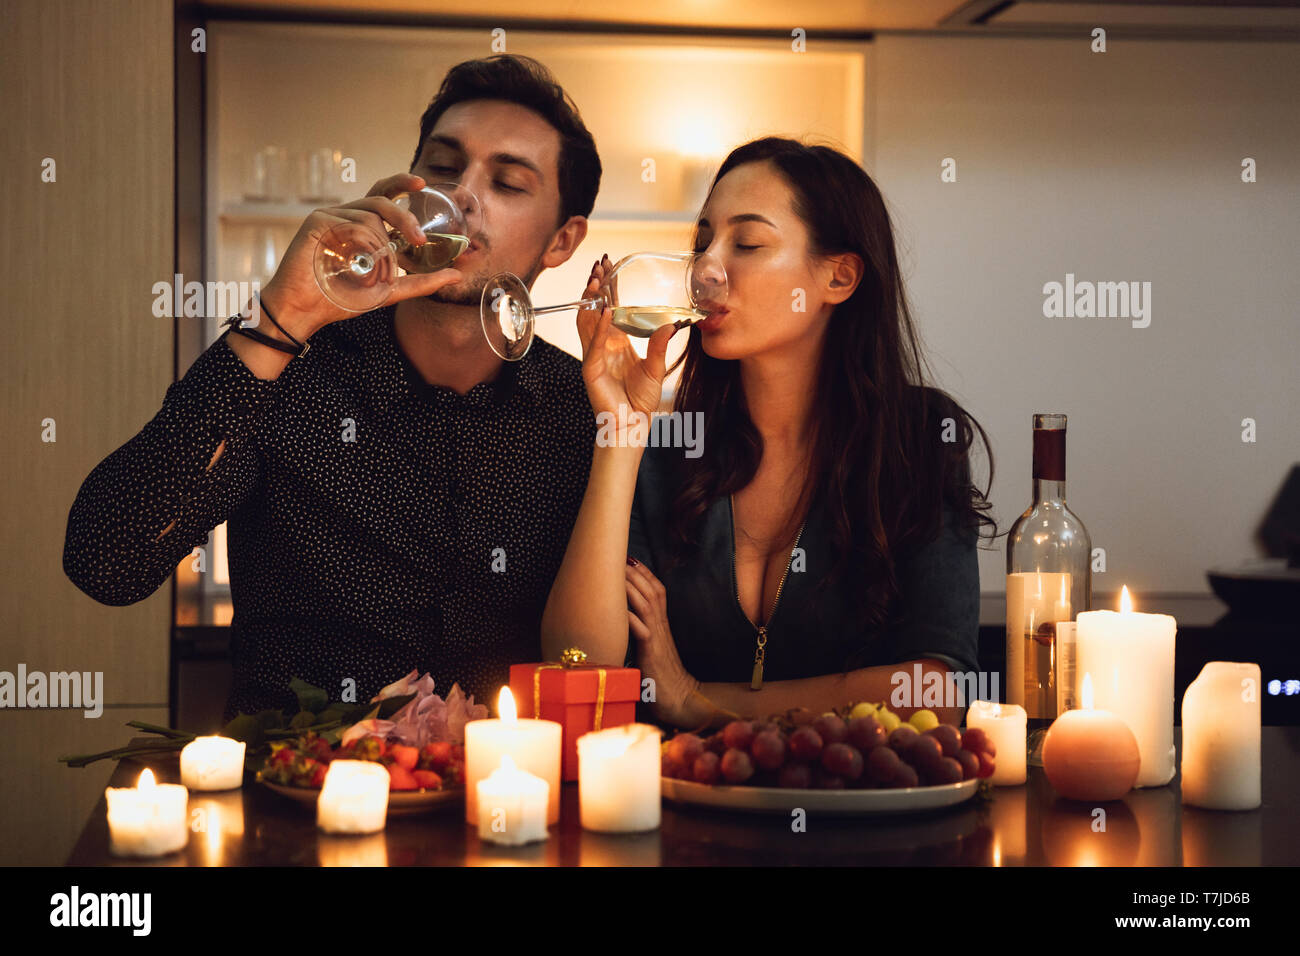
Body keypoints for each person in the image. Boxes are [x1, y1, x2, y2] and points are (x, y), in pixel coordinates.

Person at [64, 55, 602, 719]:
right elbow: (106, 562)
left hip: (497, 808)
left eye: (509, 183)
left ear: (562, 240)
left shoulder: (581, 412)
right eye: (442, 166)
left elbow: (598, 659)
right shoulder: (289, 374)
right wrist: (281, 317)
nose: (462, 195)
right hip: (293, 800)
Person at [542, 137, 997, 730]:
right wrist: (620, 435)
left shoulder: (917, 443)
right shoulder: (668, 452)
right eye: (703, 241)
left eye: (748, 243)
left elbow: (935, 692)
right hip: (690, 812)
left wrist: (694, 699)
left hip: (864, 817)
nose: (706, 268)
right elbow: (580, 671)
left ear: (839, 277)